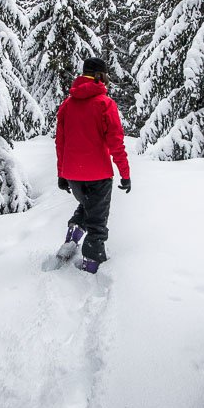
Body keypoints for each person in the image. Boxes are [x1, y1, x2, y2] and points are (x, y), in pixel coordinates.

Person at [55, 57, 131, 274]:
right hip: (98, 174)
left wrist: (62, 173)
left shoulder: (67, 105)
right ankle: (91, 264)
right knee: (97, 219)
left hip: (72, 174)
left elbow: (60, 142)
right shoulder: (105, 104)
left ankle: (74, 234)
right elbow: (116, 142)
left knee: (88, 205)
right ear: (100, 75)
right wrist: (125, 174)